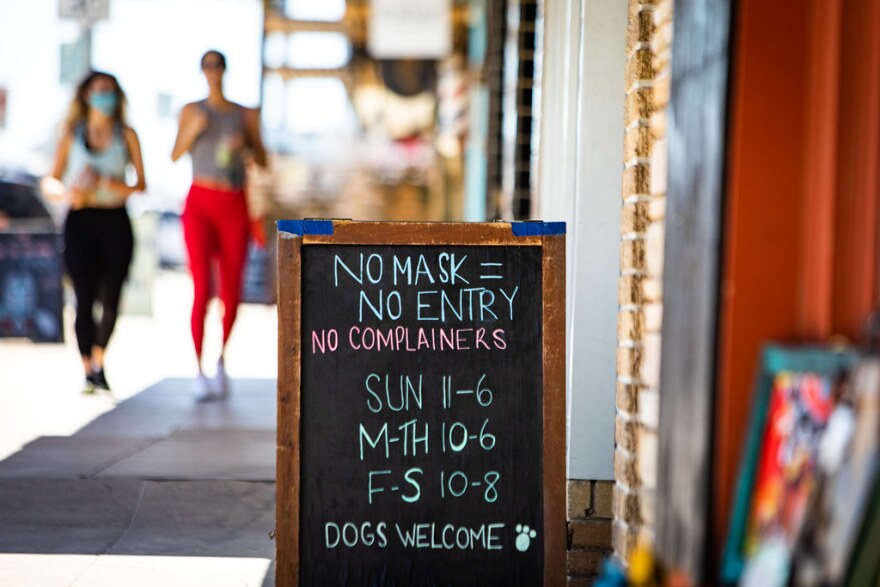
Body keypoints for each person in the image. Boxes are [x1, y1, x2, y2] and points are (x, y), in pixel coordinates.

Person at [171, 50, 267, 401]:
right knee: (201, 288)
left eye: (218, 65)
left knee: (232, 290)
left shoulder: (244, 114)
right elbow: (175, 154)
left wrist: (247, 147)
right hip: (200, 199)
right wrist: (194, 130)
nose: (213, 71)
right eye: (207, 66)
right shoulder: (192, 110)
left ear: (225, 70)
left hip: (234, 201)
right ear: (202, 71)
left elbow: (264, 159)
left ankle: (221, 360)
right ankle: (198, 370)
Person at [47, 71, 146, 393]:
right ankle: (88, 367)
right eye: (99, 90)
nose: (105, 95)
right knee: (83, 296)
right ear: (86, 95)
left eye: (111, 90)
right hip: (79, 222)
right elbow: (51, 180)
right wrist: (67, 193)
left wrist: (105, 183)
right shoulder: (71, 134)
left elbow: (140, 184)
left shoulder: (126, 134)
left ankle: (100, 358)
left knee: (112, 298)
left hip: (115, 221)